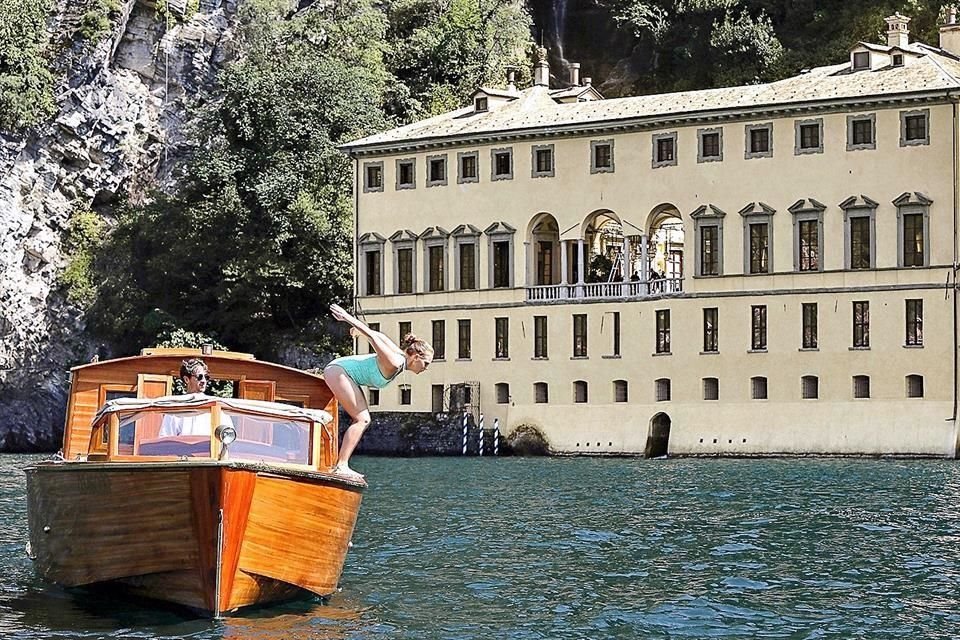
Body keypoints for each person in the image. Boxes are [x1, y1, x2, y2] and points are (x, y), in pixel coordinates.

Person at [324, 303, 433, 480]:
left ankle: (340, 464)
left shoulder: (400, 357)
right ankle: (341, 466)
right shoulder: (395, 362)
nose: (426, 368)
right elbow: (374, 337)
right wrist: (347, 317)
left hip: (344, 374)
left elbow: (381, 336)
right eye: (426, 363)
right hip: (338, 371)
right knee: (362, 419)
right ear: (415, 357)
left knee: (362, 418)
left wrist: (357, 332)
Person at [159, 357, 230, 436]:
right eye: (199, 377)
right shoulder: (176, 407)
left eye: (206, 377)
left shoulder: (216, 405)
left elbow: (228, 435)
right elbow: (166, 438)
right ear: (186, 379)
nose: (203, 381)